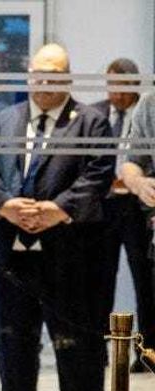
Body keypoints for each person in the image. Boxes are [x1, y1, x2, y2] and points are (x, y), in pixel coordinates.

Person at [0, 44, 114, 391]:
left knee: (79, 362)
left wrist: (59, 209)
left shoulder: (91, 121)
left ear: (69, 78)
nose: (44, 83)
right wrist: (4, 204)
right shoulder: (5, 118)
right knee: (14, 356)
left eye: (54, 76)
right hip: (12, 261)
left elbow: (99, 174)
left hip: (69, 261)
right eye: (38, 75)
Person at [94, 58, 155, 372]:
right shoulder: (98, 113)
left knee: (144, 281)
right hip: (105, 206)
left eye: (122, 86)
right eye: (112, 85)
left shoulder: (144, 108)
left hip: (137, 210)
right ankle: (99, 350)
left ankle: (146, 351)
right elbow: (128, 162)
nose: (116, 93)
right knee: (100, 280)